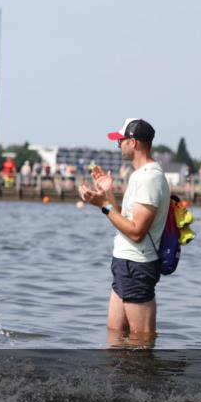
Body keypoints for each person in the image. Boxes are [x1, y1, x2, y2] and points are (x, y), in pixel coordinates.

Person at [78, 118, 169, 340]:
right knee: (115, 335)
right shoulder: (139, 175)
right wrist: (108, 192)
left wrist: (103, 206)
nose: (118, 145)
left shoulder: (150, 178)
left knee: (141, 341)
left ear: (134, 143)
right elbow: (123, 218)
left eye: (121, 141)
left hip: (137, 266)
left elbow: (137, 231)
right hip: (124, 264)